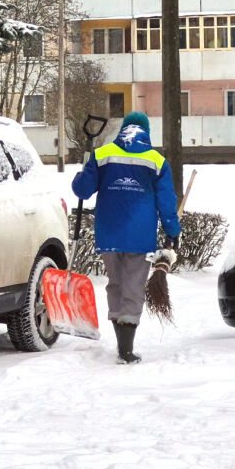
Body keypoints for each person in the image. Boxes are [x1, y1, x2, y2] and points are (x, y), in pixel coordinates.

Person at [72, 111, 181, 364]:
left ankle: (121, 343)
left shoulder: (102, 155)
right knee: (133, 287)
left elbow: (82, 190)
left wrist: (85, 171)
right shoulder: (156, 160)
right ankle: (126, 349)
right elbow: (166, 202)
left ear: (123, 129)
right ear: (146, 132)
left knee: (115, 284)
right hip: (140, 237)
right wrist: (172, 231)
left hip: (109, 232)